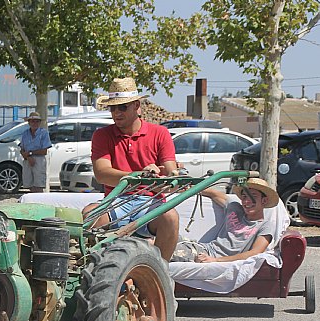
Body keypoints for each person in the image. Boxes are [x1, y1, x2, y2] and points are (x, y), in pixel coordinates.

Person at [82, 77, 179, 261]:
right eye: (113, 107)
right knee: (90, 215)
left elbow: (170, 176)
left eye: (123, 107)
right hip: (116, 201)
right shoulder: (102, 135)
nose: (116, 112)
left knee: (171, 218)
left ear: (137, 106)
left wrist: (164, 174)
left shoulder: (160, 133)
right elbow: (102, 174)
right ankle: (95, 270)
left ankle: (159, 273)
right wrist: (143, 175)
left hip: (150, 204)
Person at [171, 178, 279, 263]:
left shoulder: (266, 226)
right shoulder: (235, 208)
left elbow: (255, 253)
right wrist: (190, 187)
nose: (247, 201)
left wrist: (215, 260)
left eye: (253, 197)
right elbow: (214, 194)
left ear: (264, 201)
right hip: (203, 247)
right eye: (244, 197)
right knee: (164, 236)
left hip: (208, 256)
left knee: (162, 249)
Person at [19, 112, 51, 193]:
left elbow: (44, 151)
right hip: (27, 160)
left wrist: (30, 153)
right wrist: (28, 156)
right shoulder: (25, 133)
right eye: (32, 121)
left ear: (40, 122)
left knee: (39, 184)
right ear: (29, 122)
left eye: (37, 121)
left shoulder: (44, 133)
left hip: (39, 160)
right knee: (29, 184)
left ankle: (39, 201)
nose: (35, 123)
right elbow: (22, 148)